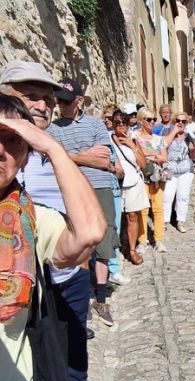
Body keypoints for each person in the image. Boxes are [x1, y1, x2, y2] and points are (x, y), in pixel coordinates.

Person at [0, 61, 105, 381]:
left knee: (68, 372)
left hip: (56, 277)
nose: (42, 104)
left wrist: (53, 149)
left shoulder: (44, 159)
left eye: (47, 98)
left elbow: (89, 231)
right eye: (31, 95)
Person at [49, 78, 118, 328]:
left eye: (66, 102)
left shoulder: (95, 124)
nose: (62, 106)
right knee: (78, 242)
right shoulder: (52, 129)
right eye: (59, 101)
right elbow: (51, 158)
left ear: (79, 101)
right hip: (71, 189)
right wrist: (85, 155)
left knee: (104, 241)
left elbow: (103, 160)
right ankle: (84, 298)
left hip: (100, 186)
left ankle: (101, 299)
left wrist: (67, 155)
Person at [110, 110, 150, 264]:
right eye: (117, 122)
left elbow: (143, 164)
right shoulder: (107, 139)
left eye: (124, 122)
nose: (121, 125)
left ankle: (132, 250)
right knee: (115, 218)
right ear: (113, 124)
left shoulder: (133, 139)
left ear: (128, 124)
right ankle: (116, 249)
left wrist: (132, 145)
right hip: (115, 183)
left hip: (133, 182)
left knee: (132, 217)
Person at [133, 107, 167, 253]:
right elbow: (135, 154)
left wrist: (146, 155)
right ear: (141, 121)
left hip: (157, 177)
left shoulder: (158, 139)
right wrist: (154, 154)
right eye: (149, 119)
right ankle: (142, 240)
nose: (153, 122)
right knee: (142, 209)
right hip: (141, 177)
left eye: (154, 119)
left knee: (158, 208)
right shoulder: (134, 136)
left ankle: (159, 240)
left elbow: (164, 157)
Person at [102, 103, 129, 285]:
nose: (109, 121)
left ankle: (113, 268)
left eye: (112, 119)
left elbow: (119, 170)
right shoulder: (100, 138)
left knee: (115, 229)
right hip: (99, 189)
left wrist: (114, 169)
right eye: (108, 118)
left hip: (114, 189)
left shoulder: (113, 141)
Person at [163, 111, 195, 233]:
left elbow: (193, 157)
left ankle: (180, 221)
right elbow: (163, 146)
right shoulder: (167, 133)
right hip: (169, 170)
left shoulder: (189, 137)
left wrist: (192, 151)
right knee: (167, 196)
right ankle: (165, 221)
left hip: (186, 171)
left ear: (186, 123)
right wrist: (174, 132)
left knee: (183, 196)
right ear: (174, 122)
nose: (180, 123)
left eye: (183, 121)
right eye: (178, 120)